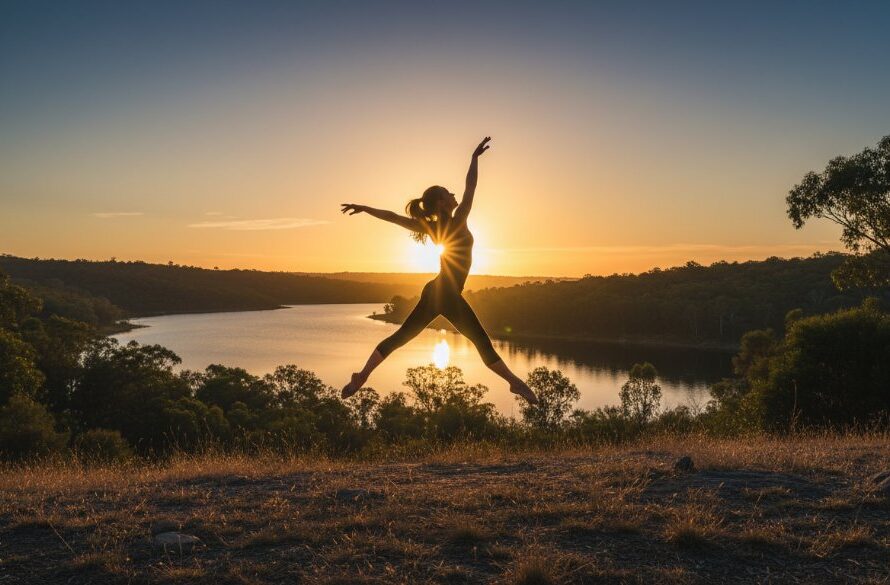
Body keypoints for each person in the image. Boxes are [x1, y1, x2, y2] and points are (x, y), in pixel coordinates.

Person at [340, 137, 538, 404]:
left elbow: (393, 218)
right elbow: (471, 186)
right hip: (447, 294)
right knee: (480, 341)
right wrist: (474, 158)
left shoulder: (432, 228)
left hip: (437, 291)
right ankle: (516, 383)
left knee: (401, 337)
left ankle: (362, 376)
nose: (455, 195)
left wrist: (365, 208)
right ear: (443, 203)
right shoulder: (458, 220)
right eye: (449, 193)